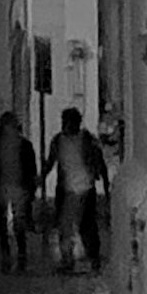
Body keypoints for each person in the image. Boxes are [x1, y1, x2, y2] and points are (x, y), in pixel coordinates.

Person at [41, 105, 109, 274]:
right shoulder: (58, 141)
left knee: (87, 226)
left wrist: (106, 188)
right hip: (66, 190)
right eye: (65, 122)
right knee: (65, 226)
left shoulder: (87, 140)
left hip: (86, 188)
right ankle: (67, 260)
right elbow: (50, 162)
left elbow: (100, 163)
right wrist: (40, 178)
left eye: (70, 122)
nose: (67, 125)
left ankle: (93, 259)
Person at [0, 111, 38, 272]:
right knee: (2, 225)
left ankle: (20, 256)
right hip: (1, 188)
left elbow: (31, 170)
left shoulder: (24, 146)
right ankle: (7, 255)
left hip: (18, 188)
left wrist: (30, 189)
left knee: (19, 225)